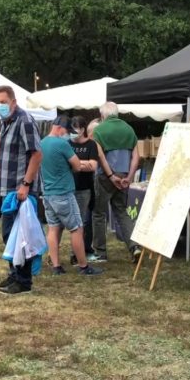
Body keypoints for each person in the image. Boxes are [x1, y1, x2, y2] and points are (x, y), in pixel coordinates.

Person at [0, 84, 42, 295]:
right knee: (9, 236)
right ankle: (14, 274)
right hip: (7, 188)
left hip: (20, 189)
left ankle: (23, 281)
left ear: (13, 101)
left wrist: (26, 183)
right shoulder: (5, 123)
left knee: (21, 237)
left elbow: (37, 155)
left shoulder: (24, 121)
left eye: (3, 102)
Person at [40, 115, 104, 276]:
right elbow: (77, 166)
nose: (68, 134)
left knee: (53, 229)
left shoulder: (42, 143)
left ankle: (56, 266)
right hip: (63, 192)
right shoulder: (62, 144)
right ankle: (83, 266)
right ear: (61, 128)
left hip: (47, 193)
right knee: (76, 228)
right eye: (67, 131)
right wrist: (82, 163)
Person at [92, 102, 142, 262]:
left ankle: (100, 252)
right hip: (125, 175)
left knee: (99, 213)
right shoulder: (129, 129)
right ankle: (134, 246)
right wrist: (130, 176)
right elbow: (136, 157)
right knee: (121, 211)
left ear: (102, 115)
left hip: (105, 176)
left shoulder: (98, 130)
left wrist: (111, 175)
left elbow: (100, 155)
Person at [69, 115, 101, 264]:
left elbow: (93, 166)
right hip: (69, 187)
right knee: (72, 222)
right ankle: (76, 254)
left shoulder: (91, 145)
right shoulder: (68, 143)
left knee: (83, 221)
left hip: (84, 188)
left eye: (74, 129)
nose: (72, 132)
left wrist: (74, 163)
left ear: (82, 129)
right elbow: (64, 163)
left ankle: (83, 252)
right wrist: (83, 163)